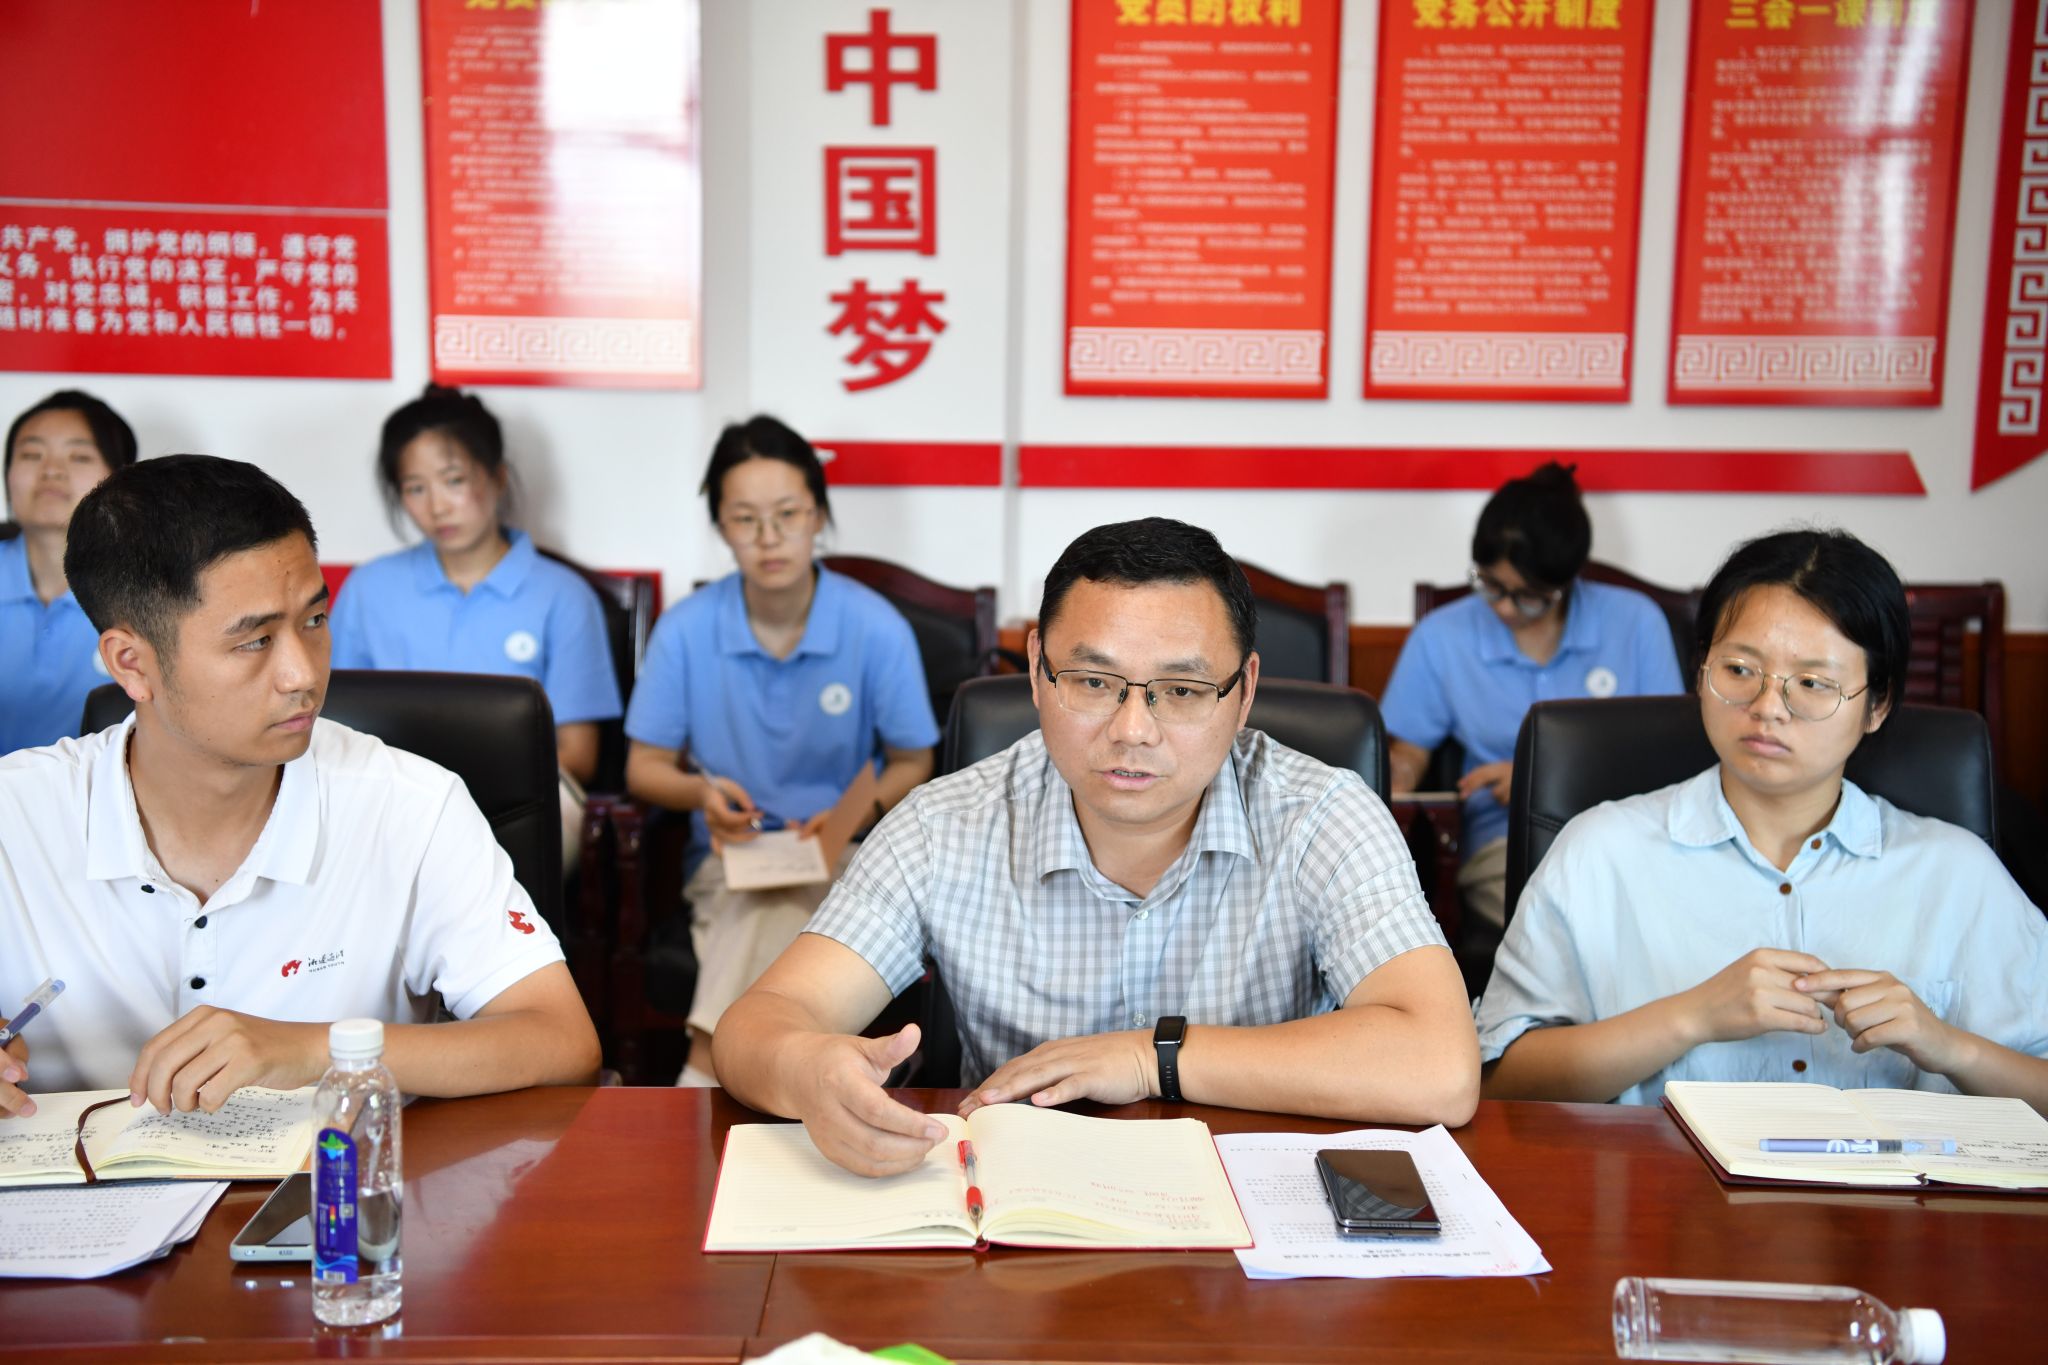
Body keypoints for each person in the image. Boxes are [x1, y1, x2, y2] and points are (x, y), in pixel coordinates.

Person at [716, 517, 1480, 1177]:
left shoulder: (1321, 815)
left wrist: (1150, 1057)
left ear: (1244, 691)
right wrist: (806, 1068)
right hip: (1023, 1221)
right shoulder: (943, 825)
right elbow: (760, 1022)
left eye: (1181, 691)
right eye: (1091, 681)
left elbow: (1441, 1064)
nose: (1132, 730)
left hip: (1254, 1226)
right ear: (1036, 670)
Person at [0, 454, 600, 1121]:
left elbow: (561, 1040)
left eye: (314, 621)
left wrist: (317, 1049)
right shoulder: (15, 815)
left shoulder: (410, 805)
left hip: (338, 1183)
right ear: (131, 663)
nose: (303, 676)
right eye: (255, 641)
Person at [1476, 528, 2048, 1112]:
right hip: (1656, 1174)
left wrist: (1949, 1047)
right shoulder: (1600, 852)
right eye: (1740, 670)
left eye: (1813, 683)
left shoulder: (1957, 872)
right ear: (1701, 672)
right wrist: (1690, 1017)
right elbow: (1500, 1082)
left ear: (1876, 705)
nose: (1768, 707)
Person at [625, 415, 938, 1087]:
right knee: (766, 906)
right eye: (745, 519)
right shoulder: (685, 631)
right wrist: (702, 794)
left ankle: (705, 1074)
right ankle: (794, 1083)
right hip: (730, 859)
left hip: (847, 855)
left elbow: (915, 760)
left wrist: (850, 818)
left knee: (791, 905)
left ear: (818, 514)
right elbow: (643, 768)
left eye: (788, 514)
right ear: (721, 526)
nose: (768, 537)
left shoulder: (874, 627)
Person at [1381, 462, 1684, 931]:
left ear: (1566, 583)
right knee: (1561, 926)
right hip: (1504, 845)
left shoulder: (1635, 623)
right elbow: (1409, 751)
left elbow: (1670, 760)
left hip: (1632, 838)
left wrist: (1534, 780)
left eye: (1528, 596)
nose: (1504, 607)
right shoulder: (1442, 636)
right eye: (1491, 585)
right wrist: (1396, 773)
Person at [328, 385, 622, 866]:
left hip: (516, 808)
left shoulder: (564, 596)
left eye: (454, 480)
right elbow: (333, 726)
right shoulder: (369, 589)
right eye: (415, 488)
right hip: (390, 805)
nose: (437, 507)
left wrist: (463, 801)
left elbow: (578, 755)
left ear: (498, 477)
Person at [0, 390, 139, 755]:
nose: (52, 471)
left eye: (79, 456)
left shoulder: (149, 594)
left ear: (120, 480)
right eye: (32, 454)